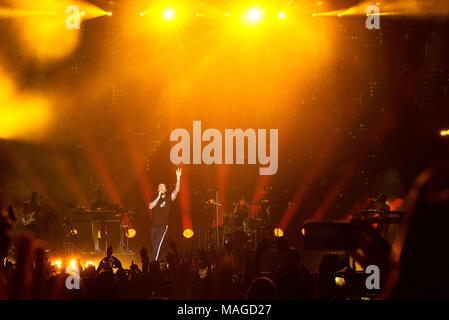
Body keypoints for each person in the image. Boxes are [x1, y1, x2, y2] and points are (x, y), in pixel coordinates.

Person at [149, 168, 182, 262]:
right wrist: (158, 197)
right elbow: (150, 206)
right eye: (160, 187)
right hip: (153, 226)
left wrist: (178, 178)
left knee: (157, 246)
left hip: (163, 227)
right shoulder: (154, 198)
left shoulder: (168, 199)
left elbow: (176, 190)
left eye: (163, 187)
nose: (161, 188)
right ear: (157, 189)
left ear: (166, 189)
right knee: (155, 245)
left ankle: (152, 265)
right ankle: (166, 260)